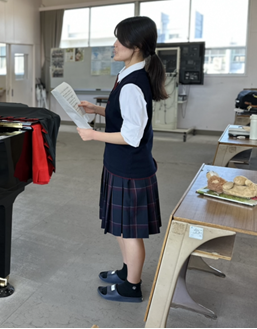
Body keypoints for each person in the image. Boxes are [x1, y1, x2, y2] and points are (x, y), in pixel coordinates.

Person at [77, 16, 167, 303]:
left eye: (120, 40)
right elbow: (125, 116)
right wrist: (97, 109)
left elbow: (131, 136)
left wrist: (93, 135)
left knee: (129, 232)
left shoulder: (132, 83)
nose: (114, 45)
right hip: (120, 166)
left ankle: (132, 287)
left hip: (130, 170)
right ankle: (128, 272)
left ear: (136, 45)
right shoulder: (127, 75)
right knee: (121, 227)